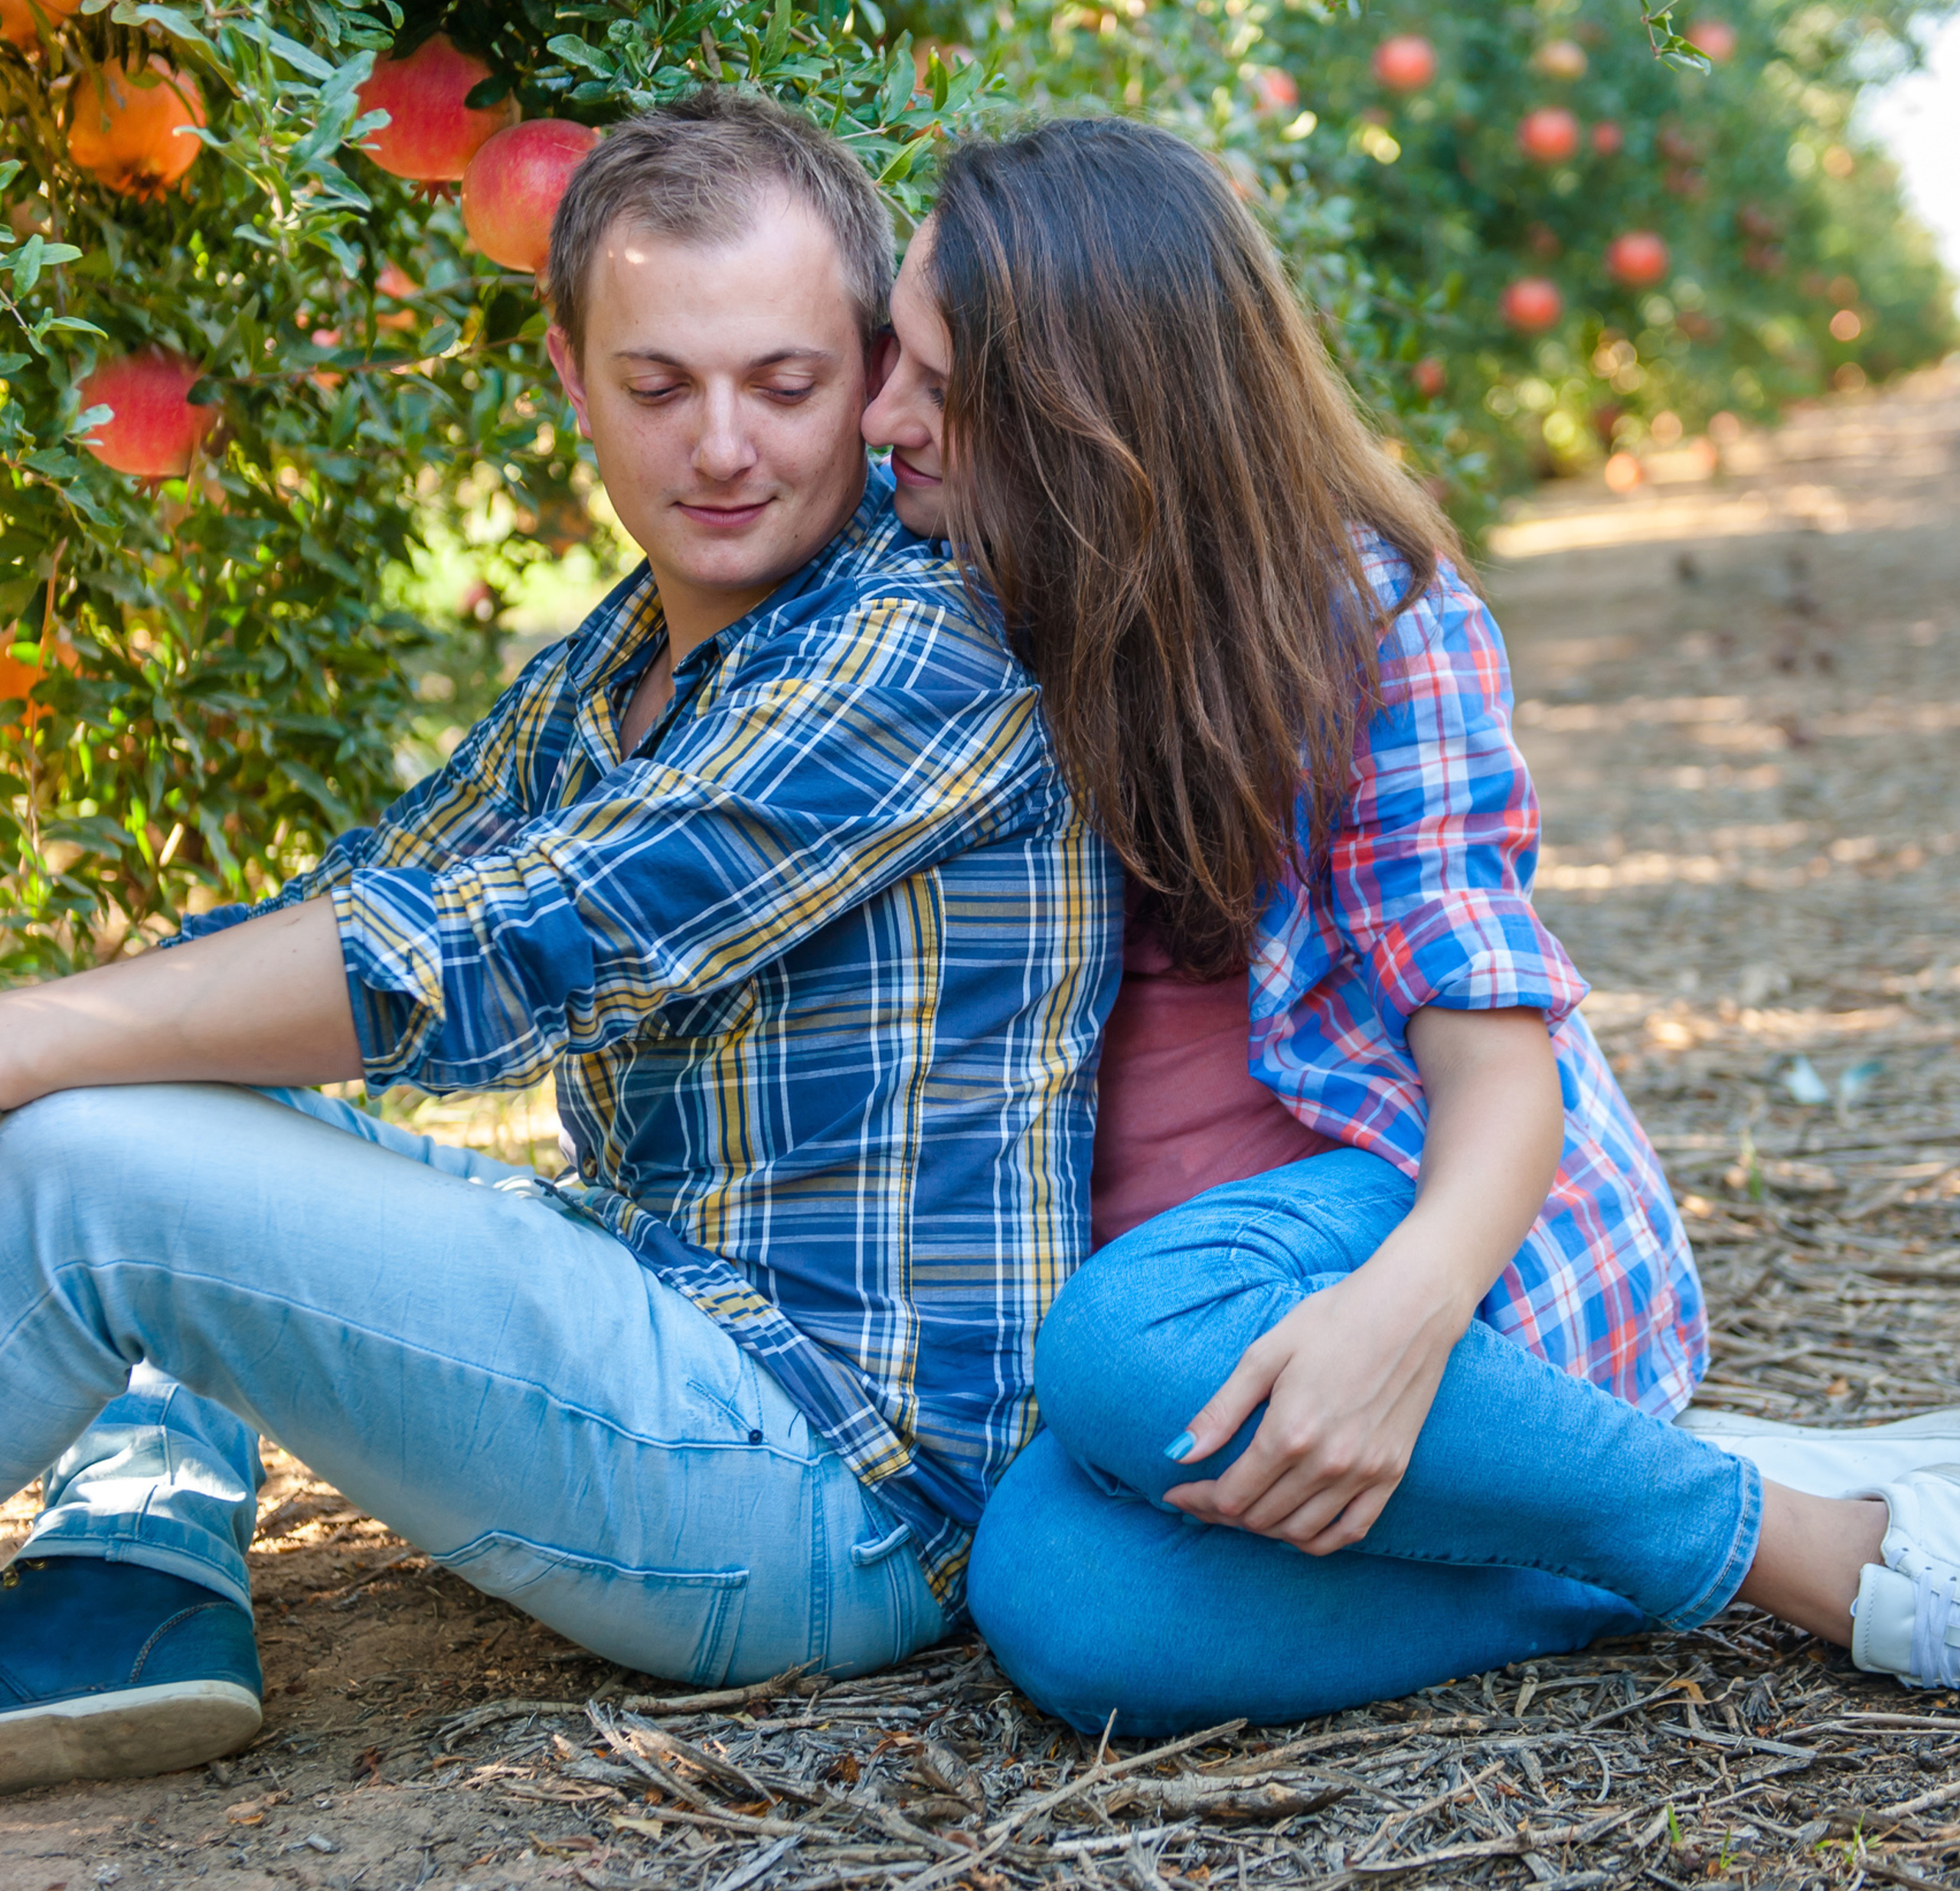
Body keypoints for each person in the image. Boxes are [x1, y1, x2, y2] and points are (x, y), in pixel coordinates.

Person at [0, 89, 1119, 1793]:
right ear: (569, 379)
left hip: (835, 1485)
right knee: (174, 1099)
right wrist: (80, 1013)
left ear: (876, 370)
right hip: (664, 1325)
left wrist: (45, 1034)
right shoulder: (621, 662)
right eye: (659, 387)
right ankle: (139, 1569)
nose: (722, 447)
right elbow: (365, 896)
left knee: (92, 1152)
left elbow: (496, 952)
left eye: (786, 383)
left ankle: (138, 1525)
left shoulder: (916, 642)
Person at [859, 115, 1960, 1733]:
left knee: (1122, 1340)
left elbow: (1504, 1076)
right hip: (1202, 1356)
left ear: (1081, 403)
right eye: (889, 356)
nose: (884, 413)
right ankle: (1608, 1522)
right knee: (1056, 1596)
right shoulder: (951, 617)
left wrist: (1399, 1311)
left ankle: (1807, 1547)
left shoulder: (1363, 618)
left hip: (1426, 1241)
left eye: (935, 384)